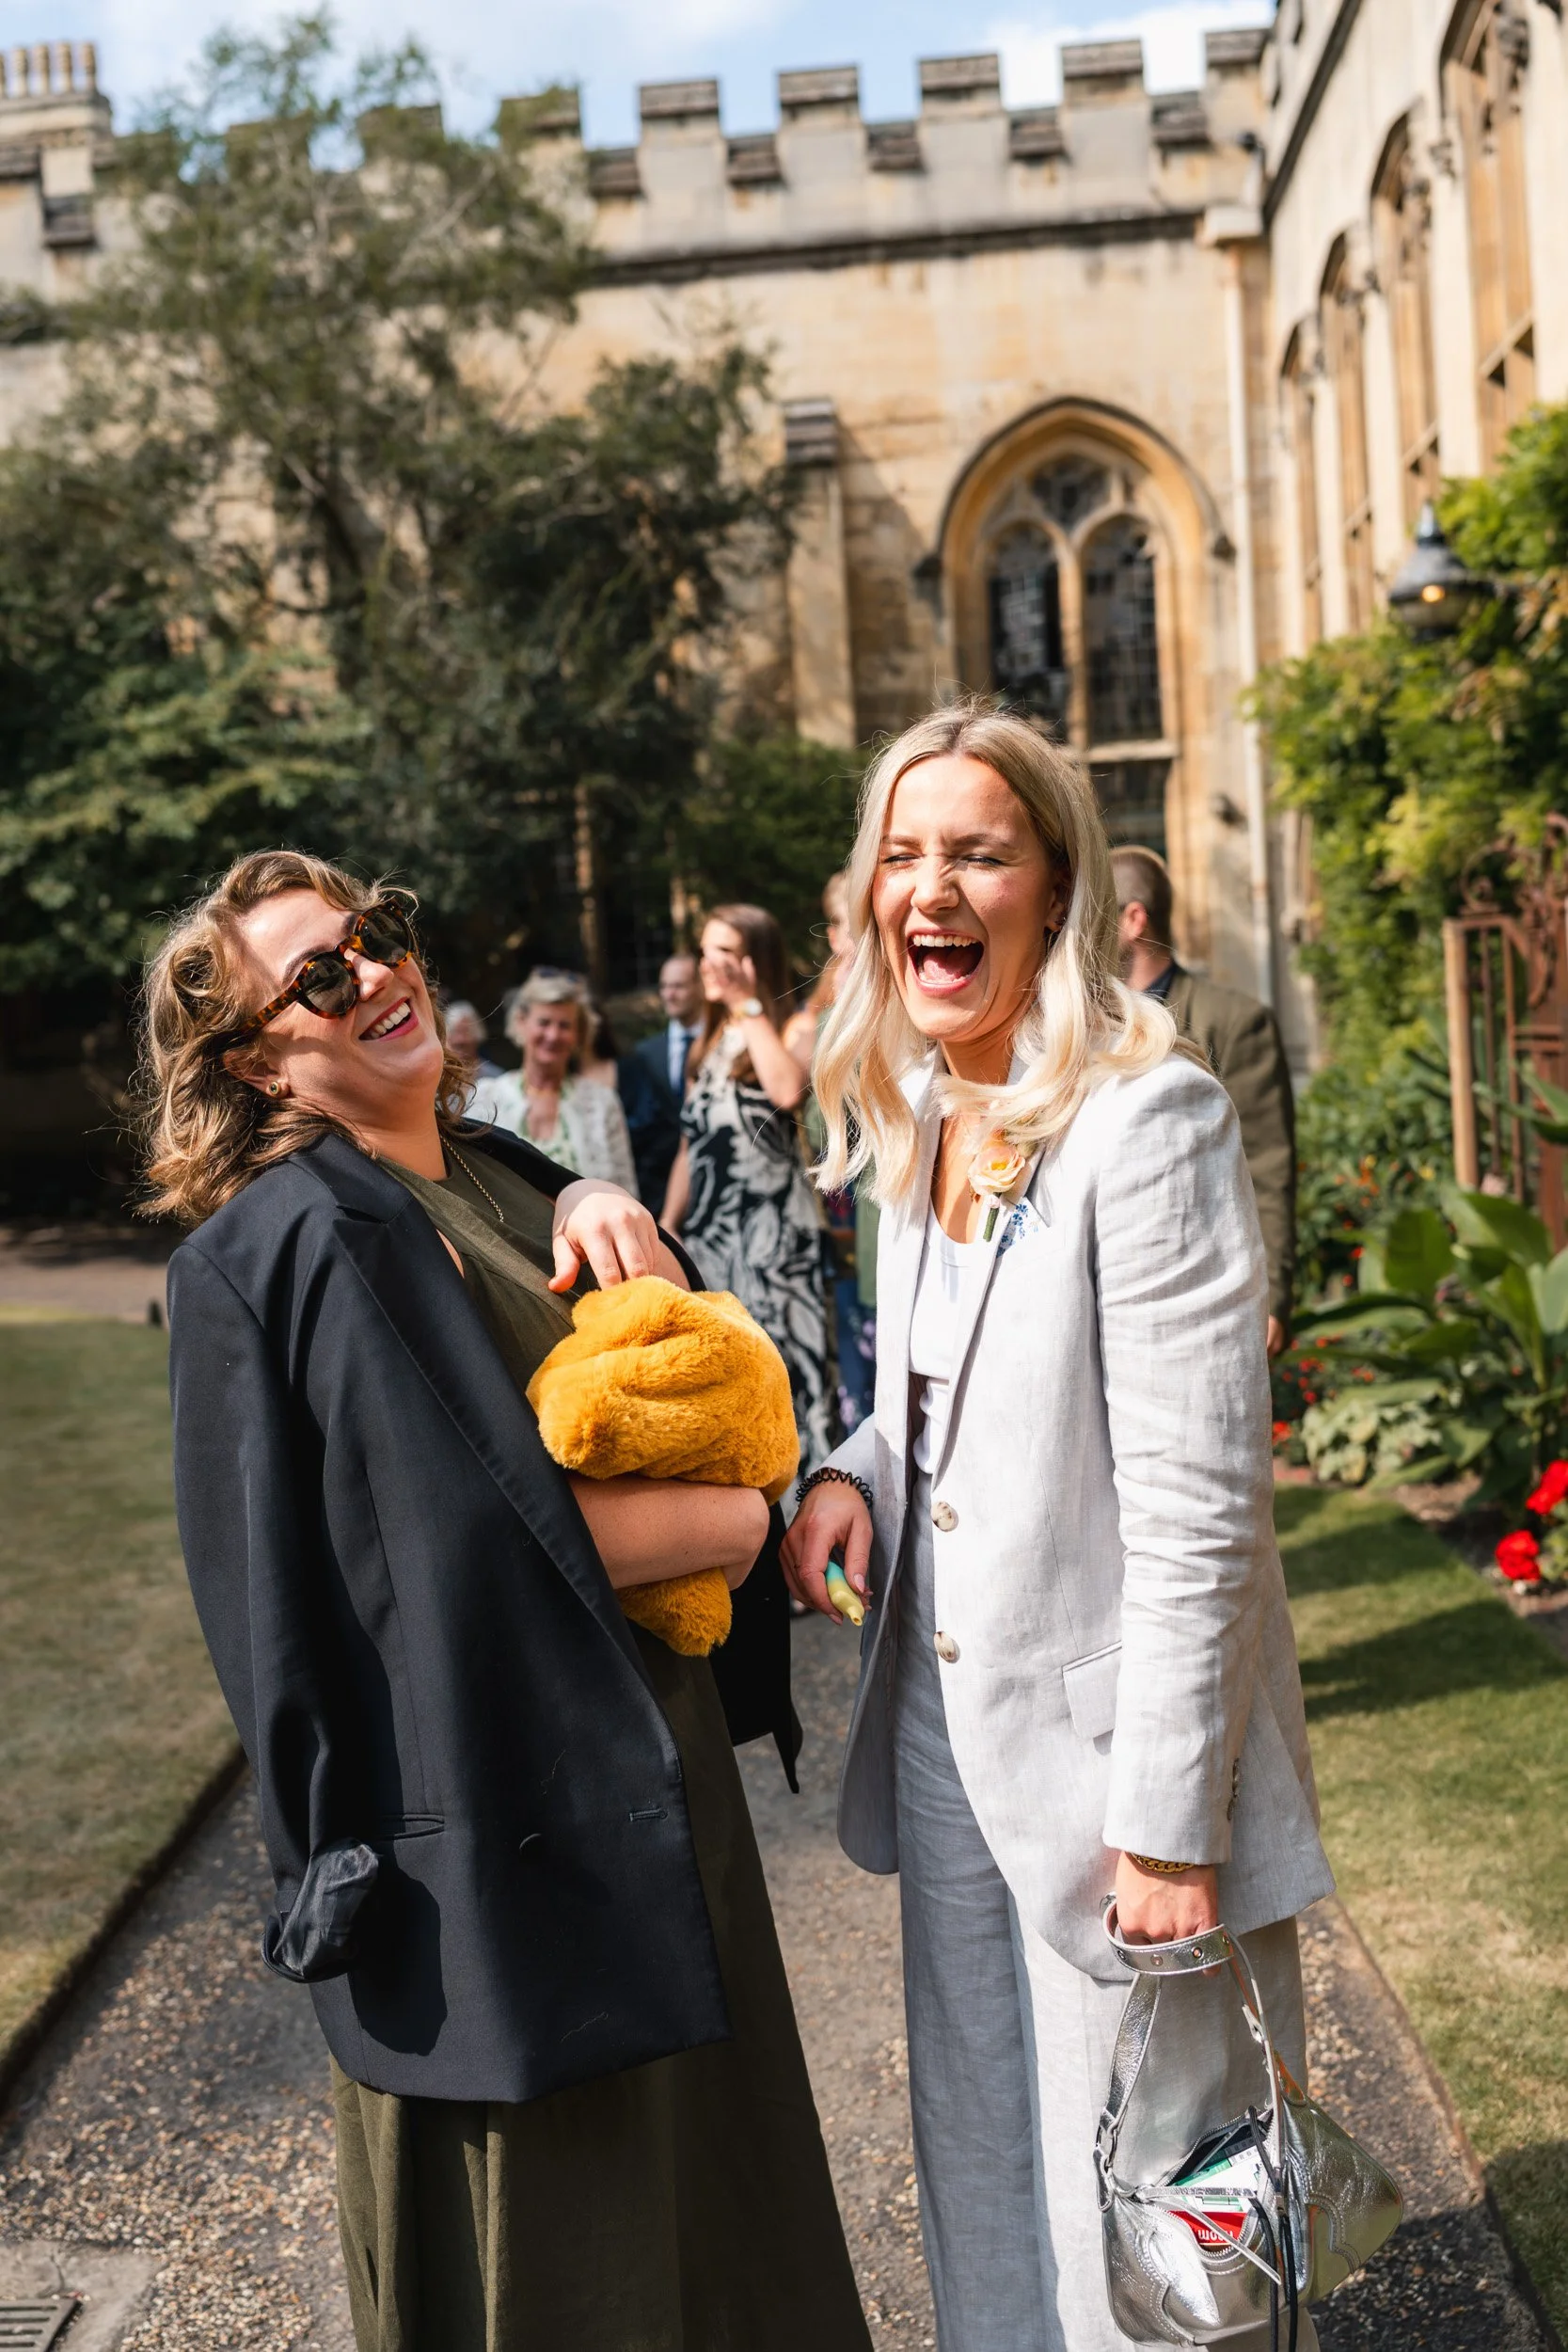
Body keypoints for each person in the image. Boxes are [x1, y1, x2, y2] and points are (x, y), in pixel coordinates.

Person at [141, 850, 871, 2352]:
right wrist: (743, 1513)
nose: (379, 973)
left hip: (645, 1776)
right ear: (255, 1057)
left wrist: (591, 1186)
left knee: (716, 2223)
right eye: (322, 975)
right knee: (564, 2263)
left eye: (379, 936)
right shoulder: (292, 1244)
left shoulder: (491, 1171)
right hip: (498, 1822)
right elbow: (459, 1542)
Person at [783, 702, 1333, 2352]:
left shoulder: (1146, 1118)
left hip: (1115, 1774)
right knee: (985, 2152)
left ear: (1057, 884)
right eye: (903, 853)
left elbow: (1199, 1507)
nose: (931, 886)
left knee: (1166, 2230)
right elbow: (928, 1398)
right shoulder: (926, 1112)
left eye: (976, 851)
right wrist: (847, 1472)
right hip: (953, 1728)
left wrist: (1171, 1823)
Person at [663, 904, 836, 1472]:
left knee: (793, 1379)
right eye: (705, 950)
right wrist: (669, 1223)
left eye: (725, 951)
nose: (709, 964)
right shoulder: (706, 1045)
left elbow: (788, 1090)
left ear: (755, 960)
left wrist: (747, 1004)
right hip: (714, 1240)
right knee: (736, 1379)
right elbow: (692, 1143)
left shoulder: (796, 1027)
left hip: (776, 1241)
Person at [1112, 844, 1297, 1354]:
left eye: (1091, 914)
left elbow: (1268, 1164)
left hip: (1199, 1286)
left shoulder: (1236, 1021)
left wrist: (1273, 1296)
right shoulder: (1075, 1025)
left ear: (1132, 920)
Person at [784, 875, 878, 1433]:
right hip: (844, 1205)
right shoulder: (830, 1004)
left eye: (848, 924)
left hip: (872, 1201)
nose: (841, 939)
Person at [471, 969, 638, 1193]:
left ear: (579, 1034)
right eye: (544, 1022)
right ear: (521, 1023)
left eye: (565, 1026)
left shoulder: (601, 1102)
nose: (553, 1035)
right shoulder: (486, 1098)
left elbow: (625, 1191)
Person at [624, 952, 704, 1211]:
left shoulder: (723, 1043)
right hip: (658, 1195)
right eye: (664, 986)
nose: (669, 994)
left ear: (701, 987)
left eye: (678, 986)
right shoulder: (644, 1054)